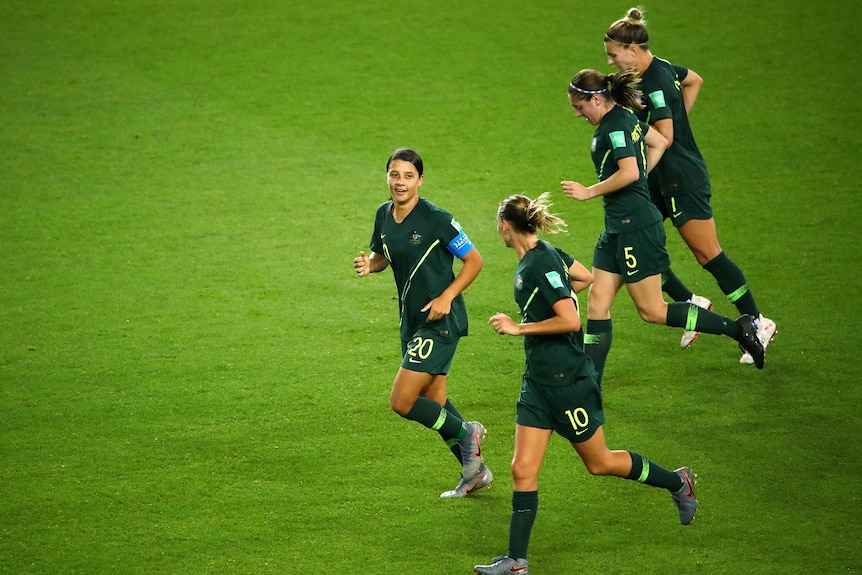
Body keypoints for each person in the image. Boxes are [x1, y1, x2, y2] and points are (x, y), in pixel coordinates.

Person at [474, 193, 697, 575]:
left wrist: (520, 327)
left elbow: (571, 321)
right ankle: (516, 562)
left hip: (568, 384)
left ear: (505, 226)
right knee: (521, 469)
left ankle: (677, 482)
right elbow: (585, 277)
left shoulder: (540, 263)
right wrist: (550, 301)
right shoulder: (546, 255)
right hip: (538, 384)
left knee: (600, 462)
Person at [561, 68, 765, 383]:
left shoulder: (612, 129)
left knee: (652, 311)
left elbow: (629, 172)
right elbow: (658, 142)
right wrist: (641, 174)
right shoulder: (627, 118)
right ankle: (590, 382)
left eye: (579, 107)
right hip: (616, 226)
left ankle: (737, 328)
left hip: (635, 227)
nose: (577, 114)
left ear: (597, 99)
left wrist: (590, 191)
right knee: (597, 302)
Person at [603, 7, 777, 364]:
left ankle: (758, 322)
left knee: (707, 254)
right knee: (636, 237)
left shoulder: (654, 84)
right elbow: (694, 78)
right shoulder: (661, 67)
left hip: (680, 177)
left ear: (632, 50)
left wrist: (639, 169)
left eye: (613, 54)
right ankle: (690, 303)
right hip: (662, 176)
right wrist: (680, 119)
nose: (611, 61)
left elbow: (664, 138)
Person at [353, 147, 492, 498]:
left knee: (402, 401)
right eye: (394, 175)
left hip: (441, 320)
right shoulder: (383, 215)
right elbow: (383, 254)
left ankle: (467, 433)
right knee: (435, 399)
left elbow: (474, 261)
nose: (400, 182)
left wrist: (447, 296)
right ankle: (475, 472)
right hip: (411, 321)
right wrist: (371, 265)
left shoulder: (436, 219)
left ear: (420, 180)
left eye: (408, 176)